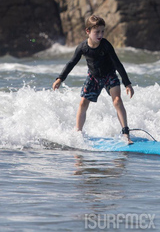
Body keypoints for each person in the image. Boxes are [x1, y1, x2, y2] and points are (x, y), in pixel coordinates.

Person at [52, 14, 135, 143]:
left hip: (109, 75)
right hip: (93, 77)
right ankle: (78, 133)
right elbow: (71, 63)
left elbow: (118, 64)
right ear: (88, 31)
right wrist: (60, 79)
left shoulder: (106, 45)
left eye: (102, 31)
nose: (100, 35)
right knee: (83, 103)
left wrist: (127, 84)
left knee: (117, 100)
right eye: (97, 32)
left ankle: (125, 133)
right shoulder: (83, 47)